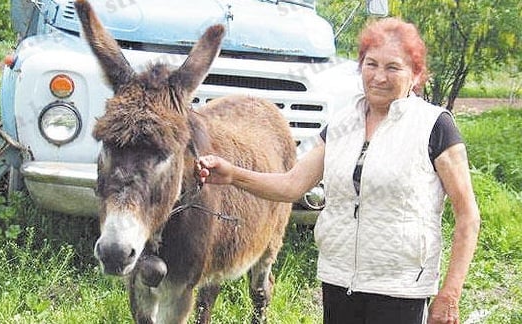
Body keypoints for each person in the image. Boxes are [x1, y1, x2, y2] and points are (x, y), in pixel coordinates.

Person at [196, 17, 480, 324]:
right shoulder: (344, 124)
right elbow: (292, 185)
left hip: (401, 286)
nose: (379, 77)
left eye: (393, 67)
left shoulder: (435, 126)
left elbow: (468, 216)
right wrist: (232, 174)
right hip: (340, 279)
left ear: (416, 74)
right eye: (371, 64)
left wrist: (449, 294)